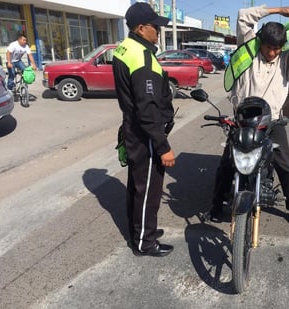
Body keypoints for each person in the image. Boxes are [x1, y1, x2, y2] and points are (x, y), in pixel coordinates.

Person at [206, 0, 289, 233]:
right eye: (269, 48)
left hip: (272, 122)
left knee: (285, 166)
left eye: (278, 48)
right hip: (243, 122)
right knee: (227, 164)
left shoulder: (286, 61)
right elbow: (244, 16)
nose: (273, 53)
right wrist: (278, 10)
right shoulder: (247, 50)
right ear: (260, 43)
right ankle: (216, 205)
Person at [112, 2, 176, 257]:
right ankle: (144, 242)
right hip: (145, 133)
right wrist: (163, 147)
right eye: (155, 27)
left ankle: (140, 230)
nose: (158, 31)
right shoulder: (142, 57)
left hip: (133, 126)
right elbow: (147, 109)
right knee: (149, 188)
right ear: (141, 28)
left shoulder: (125, 47)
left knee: (138, 186)